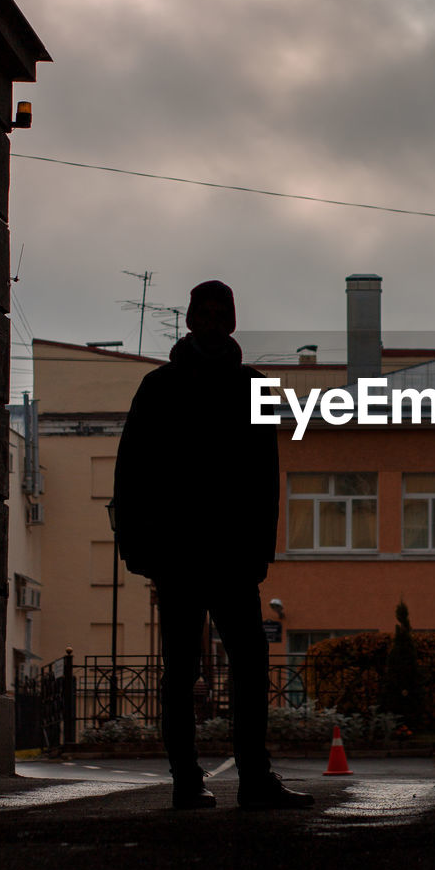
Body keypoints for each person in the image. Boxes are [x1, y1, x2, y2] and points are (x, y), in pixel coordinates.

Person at [113, 279, 313, 811]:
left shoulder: (234, 386)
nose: (210, 321)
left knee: (240, 666)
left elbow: (265, 478)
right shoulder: (161, 388)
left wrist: (258, 551)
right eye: (203, 312)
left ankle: (242, 779)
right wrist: (136, 543)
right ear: (191, 319)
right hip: (185, 553)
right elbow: (133, 470)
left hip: (221, 554)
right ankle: (194, 780)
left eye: (218, 313)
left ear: (229, 320)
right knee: (187, 669)